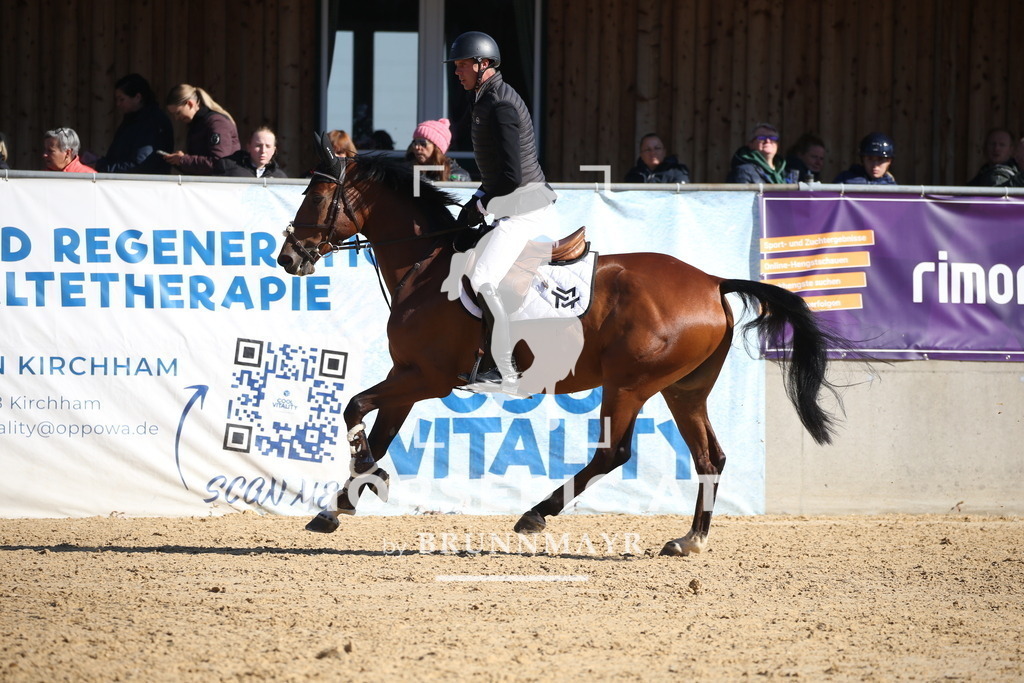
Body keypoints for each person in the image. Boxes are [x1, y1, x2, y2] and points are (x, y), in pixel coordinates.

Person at [445, 30, 562, 394]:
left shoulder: (501, 104)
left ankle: (503, 367)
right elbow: (497, 173)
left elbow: (512, 177)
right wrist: (478, 197)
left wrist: (481, 204)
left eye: (462, 65)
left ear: (483, 64)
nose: (456, 72)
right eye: (456, 65)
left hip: (527, 209)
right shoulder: (485, 99)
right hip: (513, 204)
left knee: (482, 276)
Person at [94, 73, 174, 174]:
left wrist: (102, 167)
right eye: (117, 99)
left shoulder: (152, 122)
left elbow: (140, 164)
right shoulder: (131, 120)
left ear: (137, 97)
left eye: (122, 99)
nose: (118, 104)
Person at [162, 84, 240, 175]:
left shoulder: (217, 123)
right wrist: (178, 161)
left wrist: (183, 160)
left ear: (190, 104)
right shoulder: (198, 124)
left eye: (178, 113)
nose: (176, 118)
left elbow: (219, 162)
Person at [726, 123, 797, 183]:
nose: (768, 141)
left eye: (773, 138)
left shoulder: (786, 172)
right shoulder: (743, 171)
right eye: (762, 138)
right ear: (751, 144)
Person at [404, 118, 470, 181]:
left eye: (423, 143)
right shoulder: (405, 171)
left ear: (437, 148)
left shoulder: (458, 176)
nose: (417, 147)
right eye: (415, 143)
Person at [219, 126, 288, 178]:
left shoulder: (280, 178)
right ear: (249, 147)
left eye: (268, 146)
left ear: (274, 150)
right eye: (258, 146)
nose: (263, 150)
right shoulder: (228, 167)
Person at [833, 132, 897, 184]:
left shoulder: (893, 188)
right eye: (870, 159)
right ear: (862, 160)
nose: (875, 165)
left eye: (880, 159)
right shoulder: (845, 180)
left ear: (889, 161)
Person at [624, 133, 690, 183]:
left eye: (657, 148)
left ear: (664, 152)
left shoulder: (678, 172)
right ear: (641, 154)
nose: (653, 153)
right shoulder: (633, 175)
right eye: (648, 149)